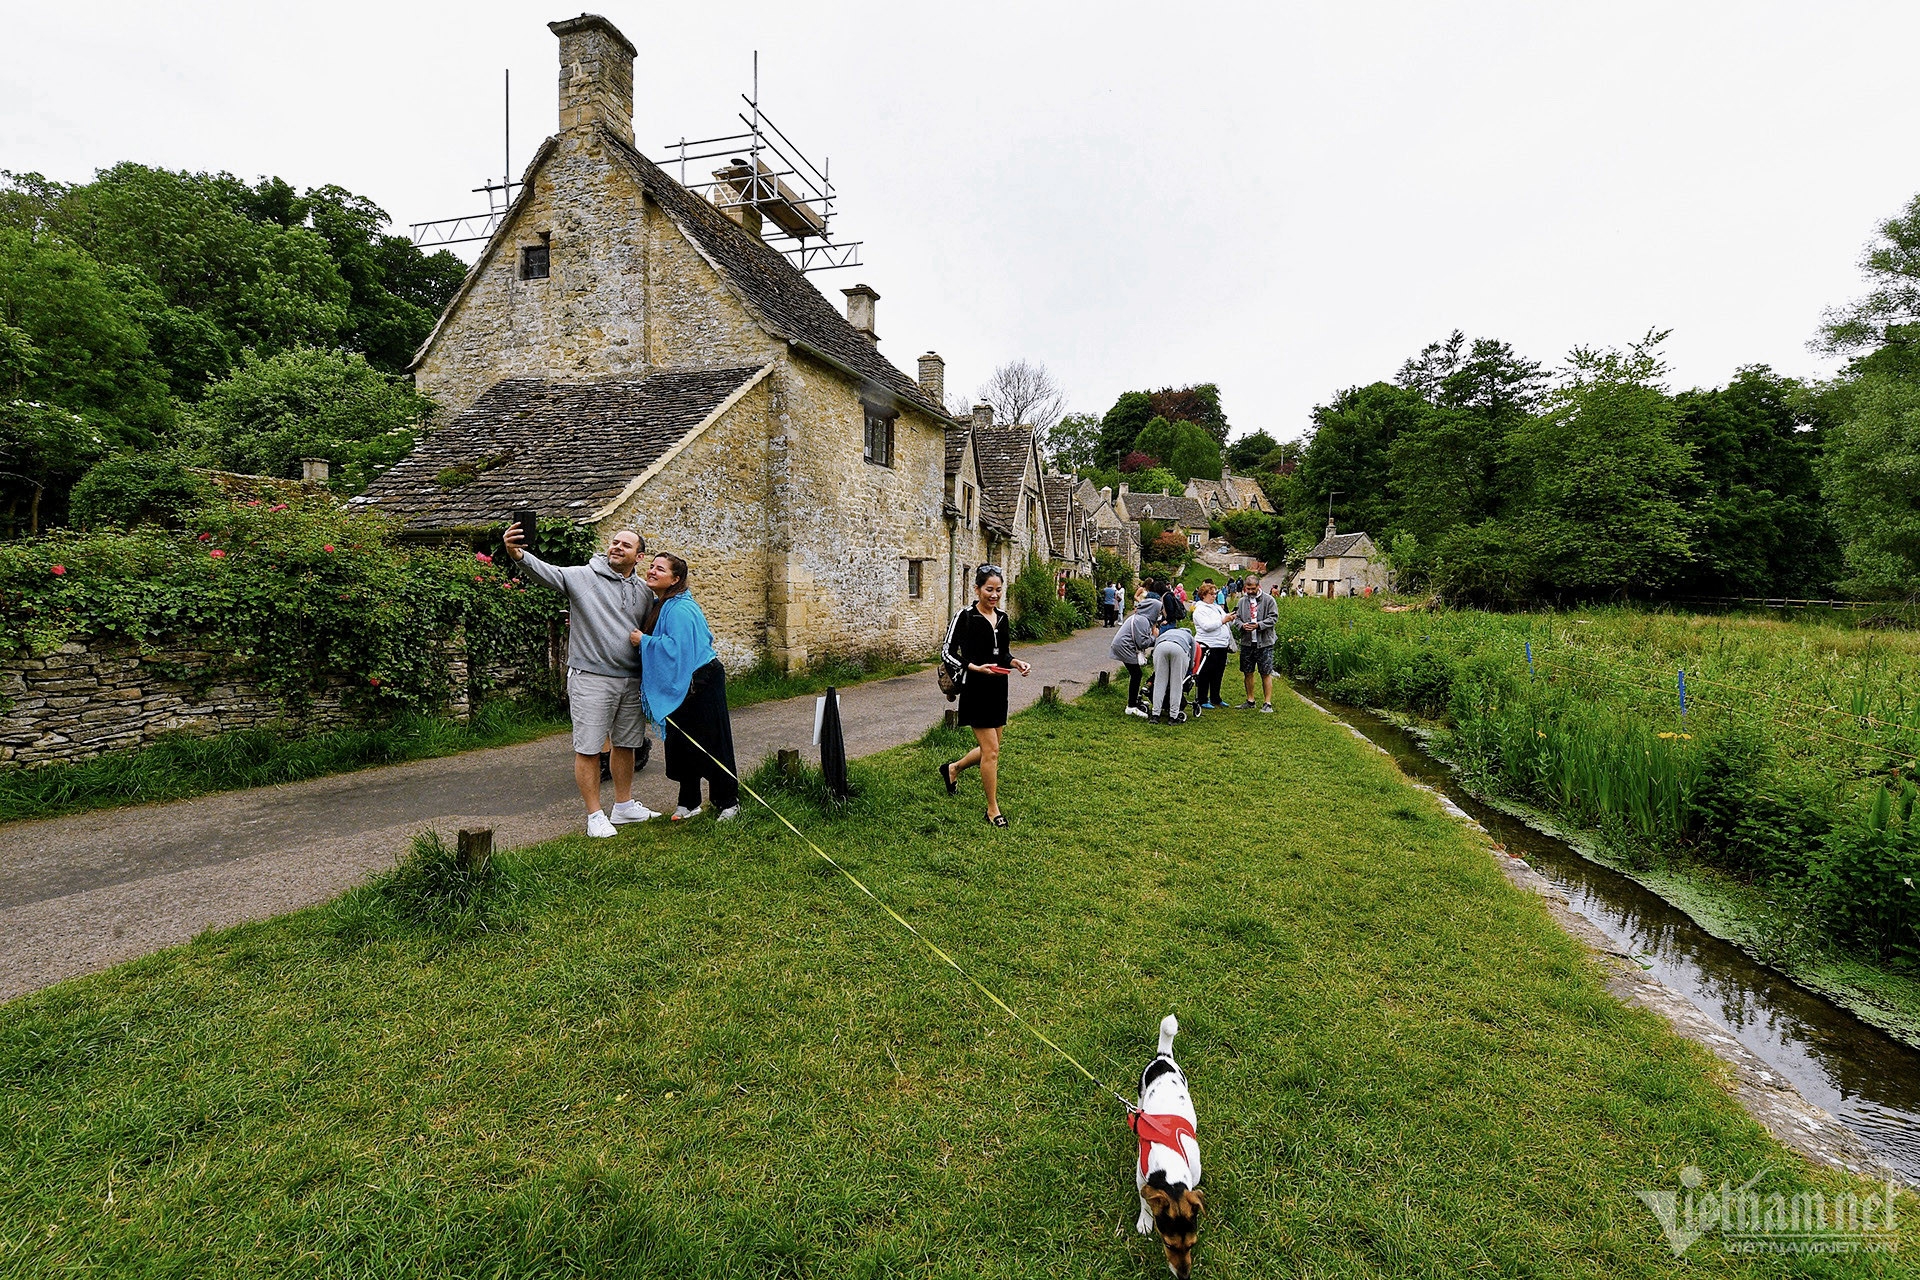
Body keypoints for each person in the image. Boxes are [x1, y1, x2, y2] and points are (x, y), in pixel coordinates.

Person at [504, 521, 658, 837]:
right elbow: (548, 573)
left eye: (626, 545)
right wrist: (517, 554)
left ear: (639, 557)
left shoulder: (644, 591)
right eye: (614, 542)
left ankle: (624, 806)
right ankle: (594, 816)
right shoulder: (582, 577)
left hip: (631, 680)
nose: (616, 547)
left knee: (627, 744)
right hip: (591, 678)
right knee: (588, 748)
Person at [629, 553, 740, 820]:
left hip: (702, 681)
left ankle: (728, 802)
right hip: (685, 682)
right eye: (652, 566)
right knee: (681, 742)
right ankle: (689, 802)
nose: (652, 571)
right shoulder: (663, 604)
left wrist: (643, 641)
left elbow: (675, 650)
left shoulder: (679, 609)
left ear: (675, 579)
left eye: (660, 569)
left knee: (711, 742)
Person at [939, 564, 1031, 826]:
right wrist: (973, 667)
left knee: (991, 749)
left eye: (998, 590)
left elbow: (1002, 653)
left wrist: (1016, 662)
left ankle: (953, 769)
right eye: (989, 589)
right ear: (977, 589)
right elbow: (947, 652)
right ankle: (992, 810)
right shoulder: (965, 616)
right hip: (975, 688)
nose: (994, 595)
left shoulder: (1002, 618)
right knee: (991, 752)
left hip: (998, 687)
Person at [1110, 587, 1163, 718]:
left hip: (1124, 645)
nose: (1159, 614)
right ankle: (1131, 706)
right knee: (1136, 674)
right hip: (1124, 647)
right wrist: (1156, 637)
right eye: (1159, 611)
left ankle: (1135, 700)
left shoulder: (1142, 618)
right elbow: (1142, 642)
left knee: (1136, 674)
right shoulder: (1142, 621)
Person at [1233, 577, 1279, 712]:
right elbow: (1237, 618)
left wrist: (1259, 625)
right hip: (1247, 642)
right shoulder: (1242, 601)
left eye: (1253, 588)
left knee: (1265, 672)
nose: (1251, 591)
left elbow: (1273, 618)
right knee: (1247, 672)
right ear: (1245, 587)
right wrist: (1242, 626)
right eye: (1248, 589)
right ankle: (1250, 700)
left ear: (1258, 586)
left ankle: (1267, 703)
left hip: (1264, 643)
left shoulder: (1269, 600)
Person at [1190, 581, 1233, 711]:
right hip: (1208, 645)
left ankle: (1216, 697)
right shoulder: (1200, 610)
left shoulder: (1216, 607)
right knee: (1205, 674)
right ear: (1203, 595)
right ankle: (1202, 698)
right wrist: (1223, 620)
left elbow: (1224, 620)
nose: (1214, 596)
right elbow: (1207, 626)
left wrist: (1230, 618)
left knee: (1218, 673)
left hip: (1221, 645)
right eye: (1211, 594)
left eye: (1215, 594)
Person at [1150, 617, 1195, 724]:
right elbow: (1192, 656)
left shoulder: (1168, 632)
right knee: (1176, 684)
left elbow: (1156, 646)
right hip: (1179, 648)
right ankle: (1173, 716)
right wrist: (1189, 668)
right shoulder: (1190, 637)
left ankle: (1155, 715)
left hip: (1161, 647)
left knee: (1159, 683)